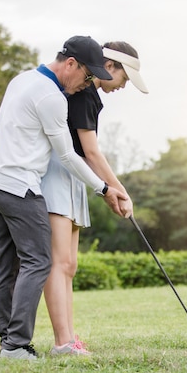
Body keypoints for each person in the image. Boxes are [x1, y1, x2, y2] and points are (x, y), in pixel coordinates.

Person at [0, 35, 130, 360]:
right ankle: (17, 345)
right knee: (39, 262)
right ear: (71, 64)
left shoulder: (22, 80)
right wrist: (104, 188)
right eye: (87, 76)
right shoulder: (52, 97)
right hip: (20, 186)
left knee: (7, 266)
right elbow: (68, 156)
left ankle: (8, 344)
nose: (87, 83)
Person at [41, 41, 149, 355]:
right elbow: (90, 153)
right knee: (58, 262)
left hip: (73, 179)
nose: (123, 86)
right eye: (124, 79)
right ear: (110, 66)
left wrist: (112, 190)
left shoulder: (89, 96)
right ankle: (62, 342)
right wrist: (120, 192)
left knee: (70, 265)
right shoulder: (84, 94)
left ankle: (70, 337)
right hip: (57, 176)